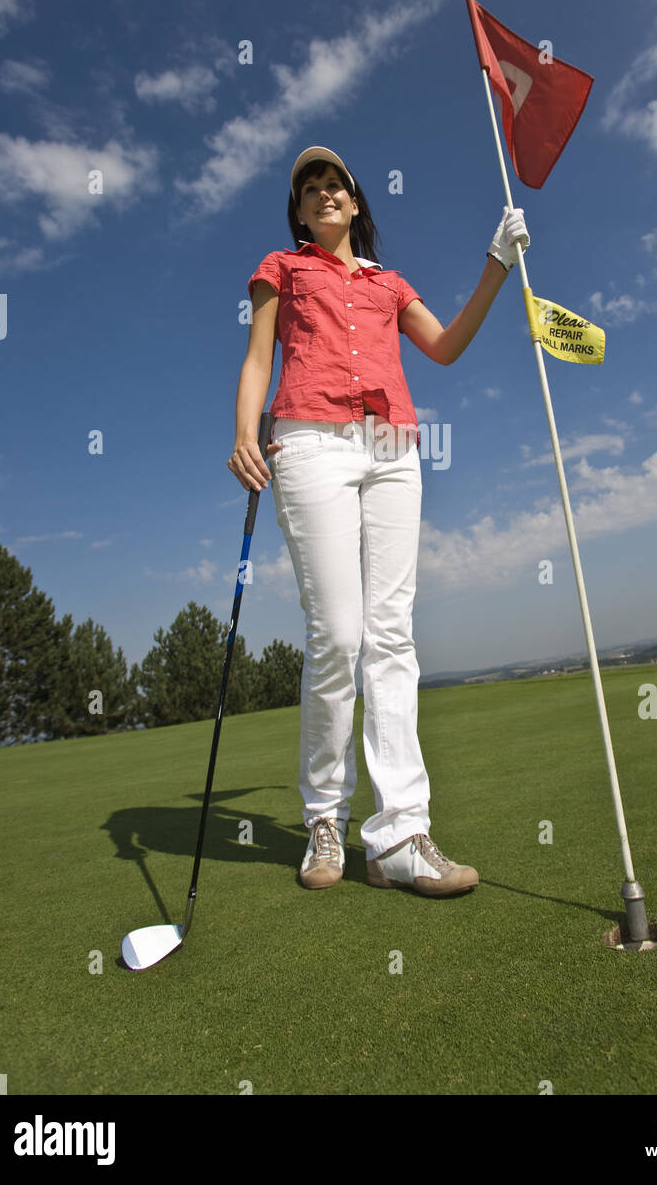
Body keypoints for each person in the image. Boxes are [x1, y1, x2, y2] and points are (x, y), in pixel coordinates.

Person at [228, 145, 529, 897]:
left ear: (356, 205)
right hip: (309, 441)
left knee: (392, 632)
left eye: (337, 186)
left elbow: (447, 348)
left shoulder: (391, 285)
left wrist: (497, 263)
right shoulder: (281, 268)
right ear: (299, 212)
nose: (325, 194)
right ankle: (324, 816)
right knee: (338, 634)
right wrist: (243, 431)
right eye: (311, 189)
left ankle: (400, 834)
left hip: (393, 445)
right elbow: (259, 358)